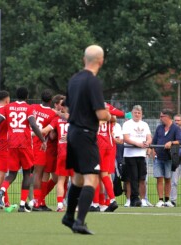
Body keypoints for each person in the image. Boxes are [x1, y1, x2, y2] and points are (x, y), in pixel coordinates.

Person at [61, 45, 111, 235]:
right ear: (101, 61)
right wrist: (108, 115)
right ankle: (80, 222)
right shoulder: (93, 82)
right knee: (92, 178)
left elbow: (67, 107)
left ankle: (68, 216)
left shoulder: (74, 80)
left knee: (78, 177)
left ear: (84, 59)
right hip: (85, 133)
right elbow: (99, 113)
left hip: (73, 131)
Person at [0, 87, 47, 212]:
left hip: (11, 145)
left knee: (12, 174)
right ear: (27, 96)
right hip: (25, 144)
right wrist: (42, 140)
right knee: (27, 174)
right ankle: (21, 205)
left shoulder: (8, 107)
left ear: (16, 96)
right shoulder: (29, 108)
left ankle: (2, 190)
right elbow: (33, 125)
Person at [31, 89, 57, 211]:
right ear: (51, 101)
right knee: (39, 174)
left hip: (27, 143)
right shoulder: (53, 114)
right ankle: (37, 203)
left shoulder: (33, 107)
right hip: (40, 144)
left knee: (27, 174)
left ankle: (36, 202)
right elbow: (49, 133)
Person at [122, 105, 152, 207]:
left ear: (141, 114)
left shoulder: (145, 124)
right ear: (132, 113)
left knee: (142, 178)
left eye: (139, 113)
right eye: (135, 113)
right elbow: (126, 138)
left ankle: (143, 200)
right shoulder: (127, 124)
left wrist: (147, 142)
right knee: (131, 178)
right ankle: (129, 199)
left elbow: (149, 137)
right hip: (130, 155)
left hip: (141, 154)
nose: (137, 114)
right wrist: (137, 144)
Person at [152, 109, 181, 208]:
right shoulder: (159, 128)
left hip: (169, 157)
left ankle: (167, 200)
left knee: (168, 179)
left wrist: (171, 143)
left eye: (162, 116)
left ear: (167, 117)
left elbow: (179, 141)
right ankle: (160, 200)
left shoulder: (176, 128)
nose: (160, 118)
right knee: (159, 178)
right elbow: (154, 141)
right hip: (158, 157)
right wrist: (152, 150)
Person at [170, 114, 181, 206]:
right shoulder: (172, 132)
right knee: (174, 181)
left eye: (178, 120)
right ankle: (173, 201)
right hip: (175, 159)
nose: (176, 122)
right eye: (175, 120)